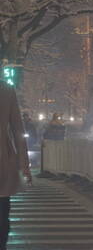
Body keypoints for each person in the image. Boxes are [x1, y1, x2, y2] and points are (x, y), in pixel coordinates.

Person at [0, 83, 32, 250]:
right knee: (2, 213)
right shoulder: (6, 91)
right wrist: (24, 166)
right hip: (3, 162)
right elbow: (18, 130)